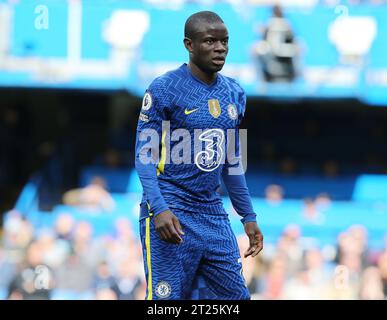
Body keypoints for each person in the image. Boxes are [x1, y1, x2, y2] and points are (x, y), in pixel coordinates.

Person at [135, 11, 263, 300]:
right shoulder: (164, 88)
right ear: (189, 45)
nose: (220, 48)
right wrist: (159, 209)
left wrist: (248, 216)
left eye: (224, 42)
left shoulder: (235, 93)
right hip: (171, 209)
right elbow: (144, 155)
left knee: (237, 299)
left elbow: (232, 163)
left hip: (212, 212)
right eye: (210, 41)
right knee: (165, 301)